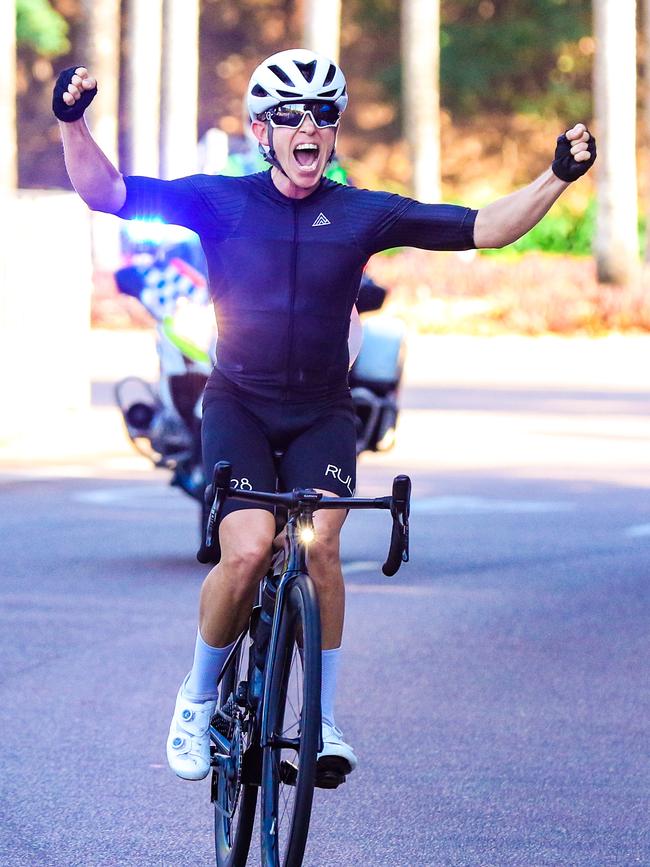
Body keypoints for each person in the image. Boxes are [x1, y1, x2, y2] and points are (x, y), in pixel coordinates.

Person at [53, 48, 596, 783]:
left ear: (335, 132)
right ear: (260, 130)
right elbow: (106, 192)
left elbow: (488, 228)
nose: (308, 126)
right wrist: (71, 121)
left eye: (323, 115)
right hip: (239, 404)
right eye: (290, 115)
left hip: (321, 413)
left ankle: (323, 719)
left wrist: (557, 177)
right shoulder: (220, 200)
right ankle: (196, 696)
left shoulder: (363, 212)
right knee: (246, 551)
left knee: (321, 547)